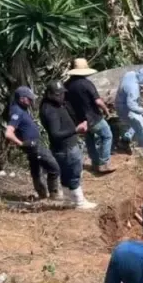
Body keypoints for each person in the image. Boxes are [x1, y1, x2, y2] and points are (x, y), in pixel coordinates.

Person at [39, 81, 96, 210]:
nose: (62, 97)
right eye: (58, 95)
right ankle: (80, 202)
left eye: (62, 94)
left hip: (62, 148)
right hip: (66, 148)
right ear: (49, 95)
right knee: (74, 174)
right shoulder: (50, 111)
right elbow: (55, 134)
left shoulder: (52, 105)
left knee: (66, 175)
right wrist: (76, 130)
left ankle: (69, 200)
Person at [5, 86, 61, 201]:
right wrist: (20, 143)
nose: (31, 101)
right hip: (32, 145)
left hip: (32, 144)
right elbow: (8, 133)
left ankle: (42, 194)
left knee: (35, 169)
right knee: (54, 167)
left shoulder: (21, 109)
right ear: (22, 99)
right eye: (29, 99)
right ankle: (53, 194)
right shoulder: (17, 112)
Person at [64, 58, 115, 174]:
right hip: (93, 117)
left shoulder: (66, 85)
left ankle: (95, 163)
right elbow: (98, 101)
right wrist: (106, 110)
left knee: (90, 138)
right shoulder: (86, 84)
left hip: (79, 119)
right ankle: (104, 162)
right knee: (107, 135)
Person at [114, 66, 143, 155]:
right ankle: (142, 150)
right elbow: (131, 106)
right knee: (141, 128)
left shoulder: (131, 74)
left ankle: (125, 140)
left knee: (140, 120)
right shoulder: (133, 88)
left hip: (120, 102)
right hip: (124, 109)